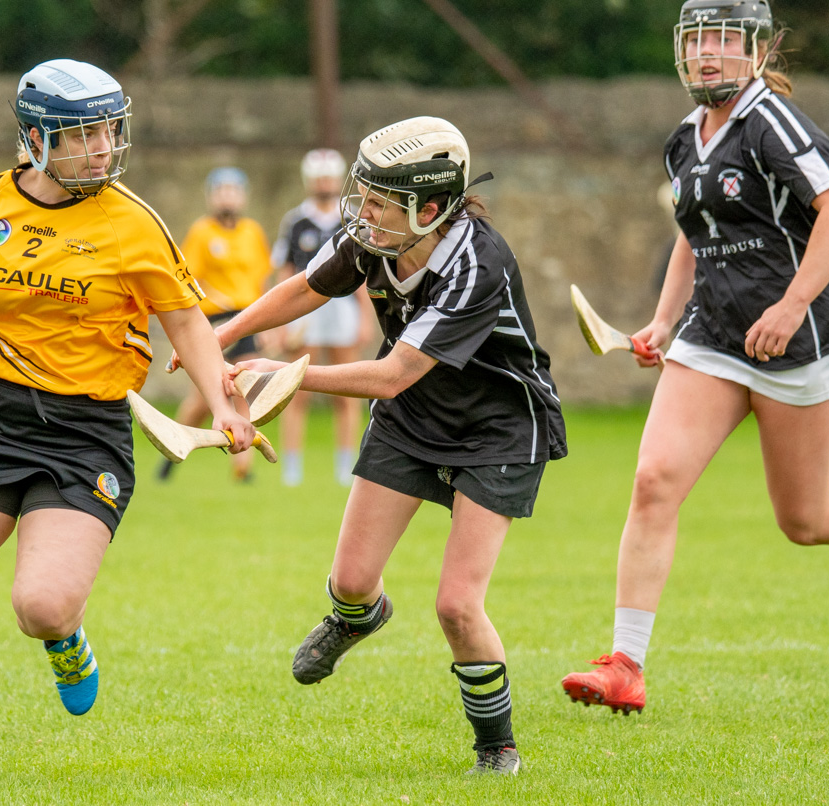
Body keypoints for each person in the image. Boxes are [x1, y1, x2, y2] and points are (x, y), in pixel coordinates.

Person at [0, 58, 254, 778]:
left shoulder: (132, 222)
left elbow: (185, 326)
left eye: (109, 129)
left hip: (85, 431)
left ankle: (66, 640)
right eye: (83, 133)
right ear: (35, 138)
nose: (102, 146)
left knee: (42, 607)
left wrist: (222, 405)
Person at [209, 117, 567, 774]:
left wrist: (285, 376)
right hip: (410, 420)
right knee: (348, 582)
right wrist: (225, 335)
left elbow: (392, 373)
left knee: (457, 604)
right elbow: (306, 287)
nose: (362, 212)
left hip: (498, 431)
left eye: (378, 201)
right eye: (363, 195)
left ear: (428, 209)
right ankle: (357, 618)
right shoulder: (378, 237)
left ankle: (496, 747)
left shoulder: (475, 263)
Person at [560, 0, 829, 716]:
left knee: (804, 521)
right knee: (653, 480)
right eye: (695, 40)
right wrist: (662, 320)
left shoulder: (772, 123)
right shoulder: (683, 139)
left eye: (722, 40)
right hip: (712, 338)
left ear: (756, 49)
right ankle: (625, 664)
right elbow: (694, 233)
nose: (707, 53)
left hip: (796, 343)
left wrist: (791, 305)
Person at [156, 167, 271, 482]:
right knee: (208, 395)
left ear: (243, 196)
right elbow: (188, 276)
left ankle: (242, 467)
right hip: (216, 320)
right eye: (220, 190)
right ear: (210, 196)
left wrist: (268, 325)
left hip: (247, 318)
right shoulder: (202, 232)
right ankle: (170, 452)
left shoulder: (252, 232)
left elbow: (261, 280)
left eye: (233, 189)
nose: (227, 196)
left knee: (244, 388)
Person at [271, 148, 377, 486]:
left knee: (347, 390)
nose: (324, 183)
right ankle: (292, 467)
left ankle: (346, 465)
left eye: (330, 177)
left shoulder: (353, 218)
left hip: (343, 309)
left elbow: (365, 275)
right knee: (296, 389)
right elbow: (285, 272)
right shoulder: (295, 221)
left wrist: (365, 318)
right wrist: (282, 320)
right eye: (318, 178)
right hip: (305, 313)